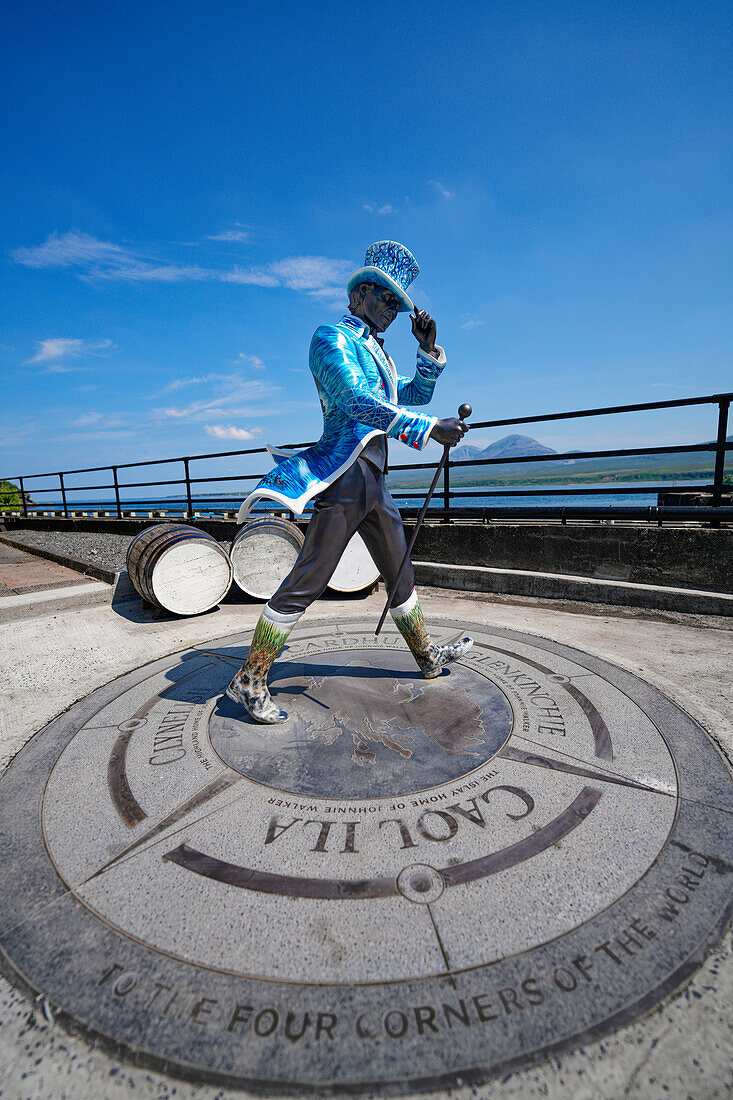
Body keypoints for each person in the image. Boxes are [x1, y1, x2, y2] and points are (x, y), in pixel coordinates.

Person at [226, 241, 471, 723]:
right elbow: (358, 401)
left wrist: (426, 352)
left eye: (397, 305)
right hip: (344, 477)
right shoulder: (330, 338)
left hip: (374, 479)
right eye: (383, 298)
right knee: (309, 578)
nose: (391, 311)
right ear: (358, 295)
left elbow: (410, 395)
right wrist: (426, 429)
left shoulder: (376, 351)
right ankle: (249, 678)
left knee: (400, 570)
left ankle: (426, 658)